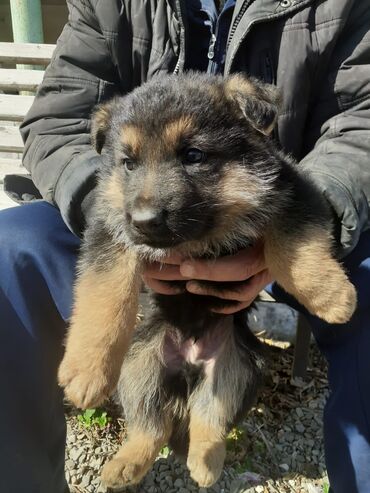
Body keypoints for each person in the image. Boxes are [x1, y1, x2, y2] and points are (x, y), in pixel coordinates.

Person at [1, 1, 369, 492]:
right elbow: (56, 124)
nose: (152, 201)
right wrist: (113, 220)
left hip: (267, 213)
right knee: (9, 252)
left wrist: (287, 252)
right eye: (130, 161)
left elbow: (360, 123)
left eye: (191, 154)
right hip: (113, 221)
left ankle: (212, 428)